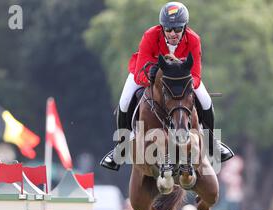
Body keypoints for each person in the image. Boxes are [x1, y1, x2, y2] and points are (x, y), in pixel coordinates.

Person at [100, 2, 234, 171]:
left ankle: (211, 142)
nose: (172, 33)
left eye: (177, 29)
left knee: (206, 101)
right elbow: (141, 73)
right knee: (125, 101)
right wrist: (154, 73)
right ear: (162, 27)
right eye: (168, 29)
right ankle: (121, 146)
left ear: (184, 27)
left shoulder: (193, 40)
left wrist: (182, 82)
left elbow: (196, 76)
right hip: (146, 74)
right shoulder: (150, 35)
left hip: (182, 78)